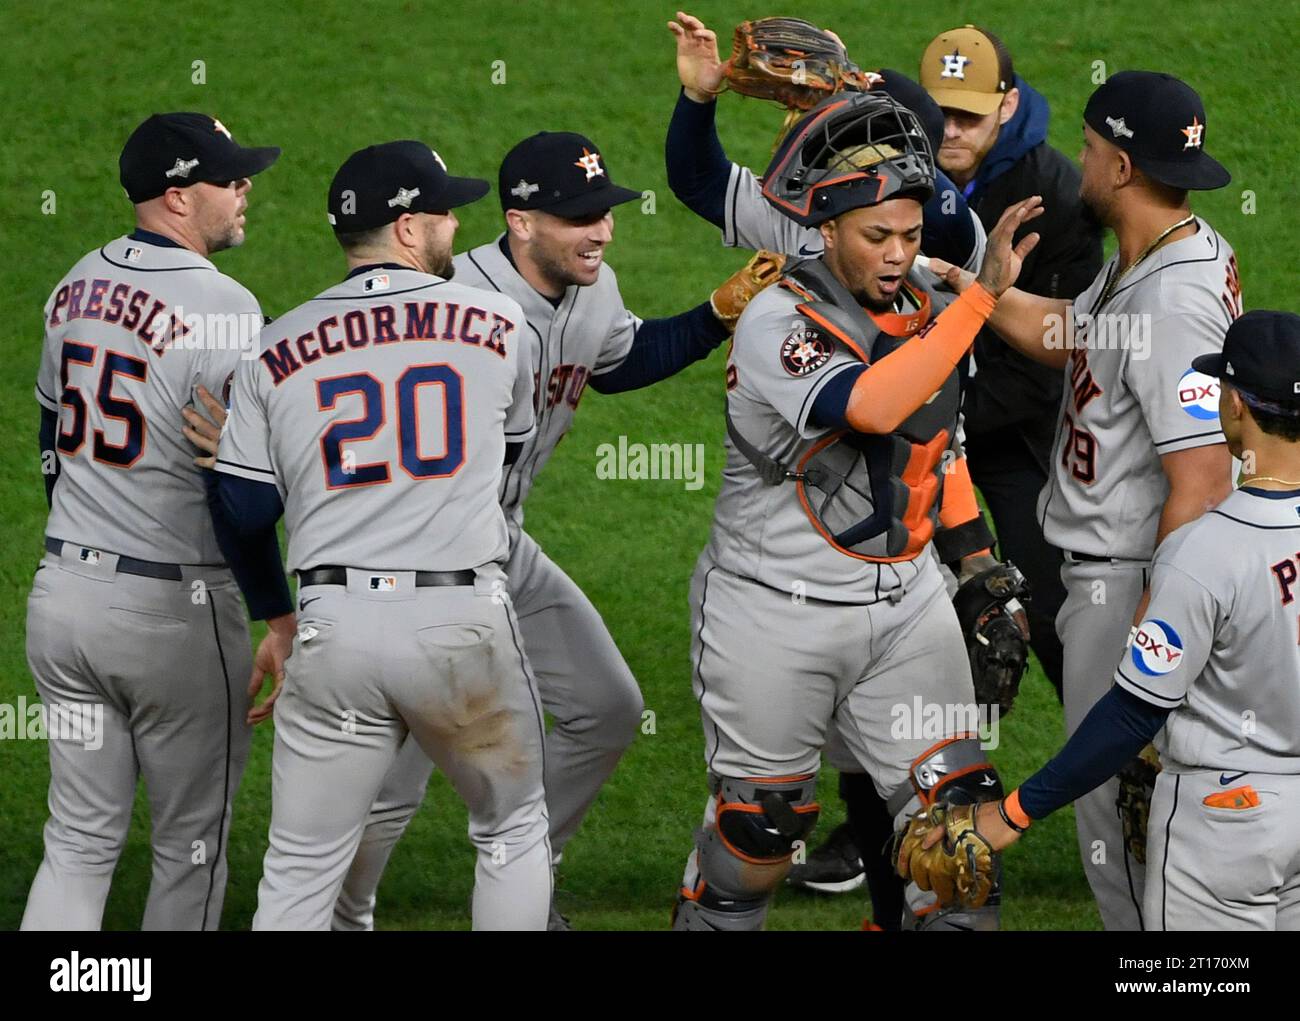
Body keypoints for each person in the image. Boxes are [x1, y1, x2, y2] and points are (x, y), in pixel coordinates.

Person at [671, 88, 1042, 931]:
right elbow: (872, 406)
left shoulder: (928, 302)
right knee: (759, 836)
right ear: (826, 230)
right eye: (878, 237)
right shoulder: (776, 320)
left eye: (911, 236)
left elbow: (934, 447)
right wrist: (977, 304)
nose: (897, 254)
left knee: (958, 855)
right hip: (773, 612)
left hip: (906, 608)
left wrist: (978, 564)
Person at [212, 140, 551, 930]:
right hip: (459, 625)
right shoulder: (501, 322)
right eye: (443, 212)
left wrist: (280, 620)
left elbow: (241, 510)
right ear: (406, 227)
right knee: (509, 828)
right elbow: (504, 459)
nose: (455, 226)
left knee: (299, 870)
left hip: (336, 627)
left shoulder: (274, 347)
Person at [927, 71, 1238, 929]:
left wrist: (1156, 624)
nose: (1082, 166)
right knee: (1128, 823)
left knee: (1125, 830)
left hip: (1133, 577)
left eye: (1095, 151)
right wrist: (981, 292)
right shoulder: (1159, 254)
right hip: (1112, 574)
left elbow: (1204, 478)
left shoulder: (1175, 299)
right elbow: (1074, 334)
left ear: (1125, 168)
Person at [905, 309, 1300, 931]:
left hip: (1226, 824)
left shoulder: (1204, 551)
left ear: (1236, 406)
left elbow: (1130, 715)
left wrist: (1009, 814)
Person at [23, 113, 282, 930]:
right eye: (228, 178)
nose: (245, 189)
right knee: (192, 846)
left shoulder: (73, 283)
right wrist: (279, 608)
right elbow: (238, 497)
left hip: (62, 601)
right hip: (176, 614)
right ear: (177, 198)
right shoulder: (228, 306)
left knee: (77, 840)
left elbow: (46, 442)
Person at [920, 23, 1104, 699]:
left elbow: (1047, 366)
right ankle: (891, 802)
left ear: (1007, 104)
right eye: (938, 112)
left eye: (968, 115)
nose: (951, 130)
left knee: (1058, 617)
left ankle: (1110, 785)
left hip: (1017, 434)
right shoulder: (900, 175)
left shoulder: (1056, 198)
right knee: (906, 616)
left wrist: (932, 415)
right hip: (920, 427)